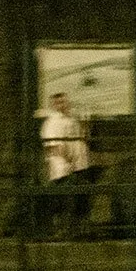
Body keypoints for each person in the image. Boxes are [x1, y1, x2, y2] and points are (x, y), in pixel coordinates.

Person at [40, 90, 94, 235]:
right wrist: (68, 162)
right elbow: (54, 145)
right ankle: (65, 230)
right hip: (65, 169)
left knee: (80, 199)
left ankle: (79, 229)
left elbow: (80, 137)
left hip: (79, 165)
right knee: (66, 200)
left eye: (65, 101)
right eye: (60, 102)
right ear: (54, 104)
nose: (64, 104)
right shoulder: (52, 123)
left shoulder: (71, 119)